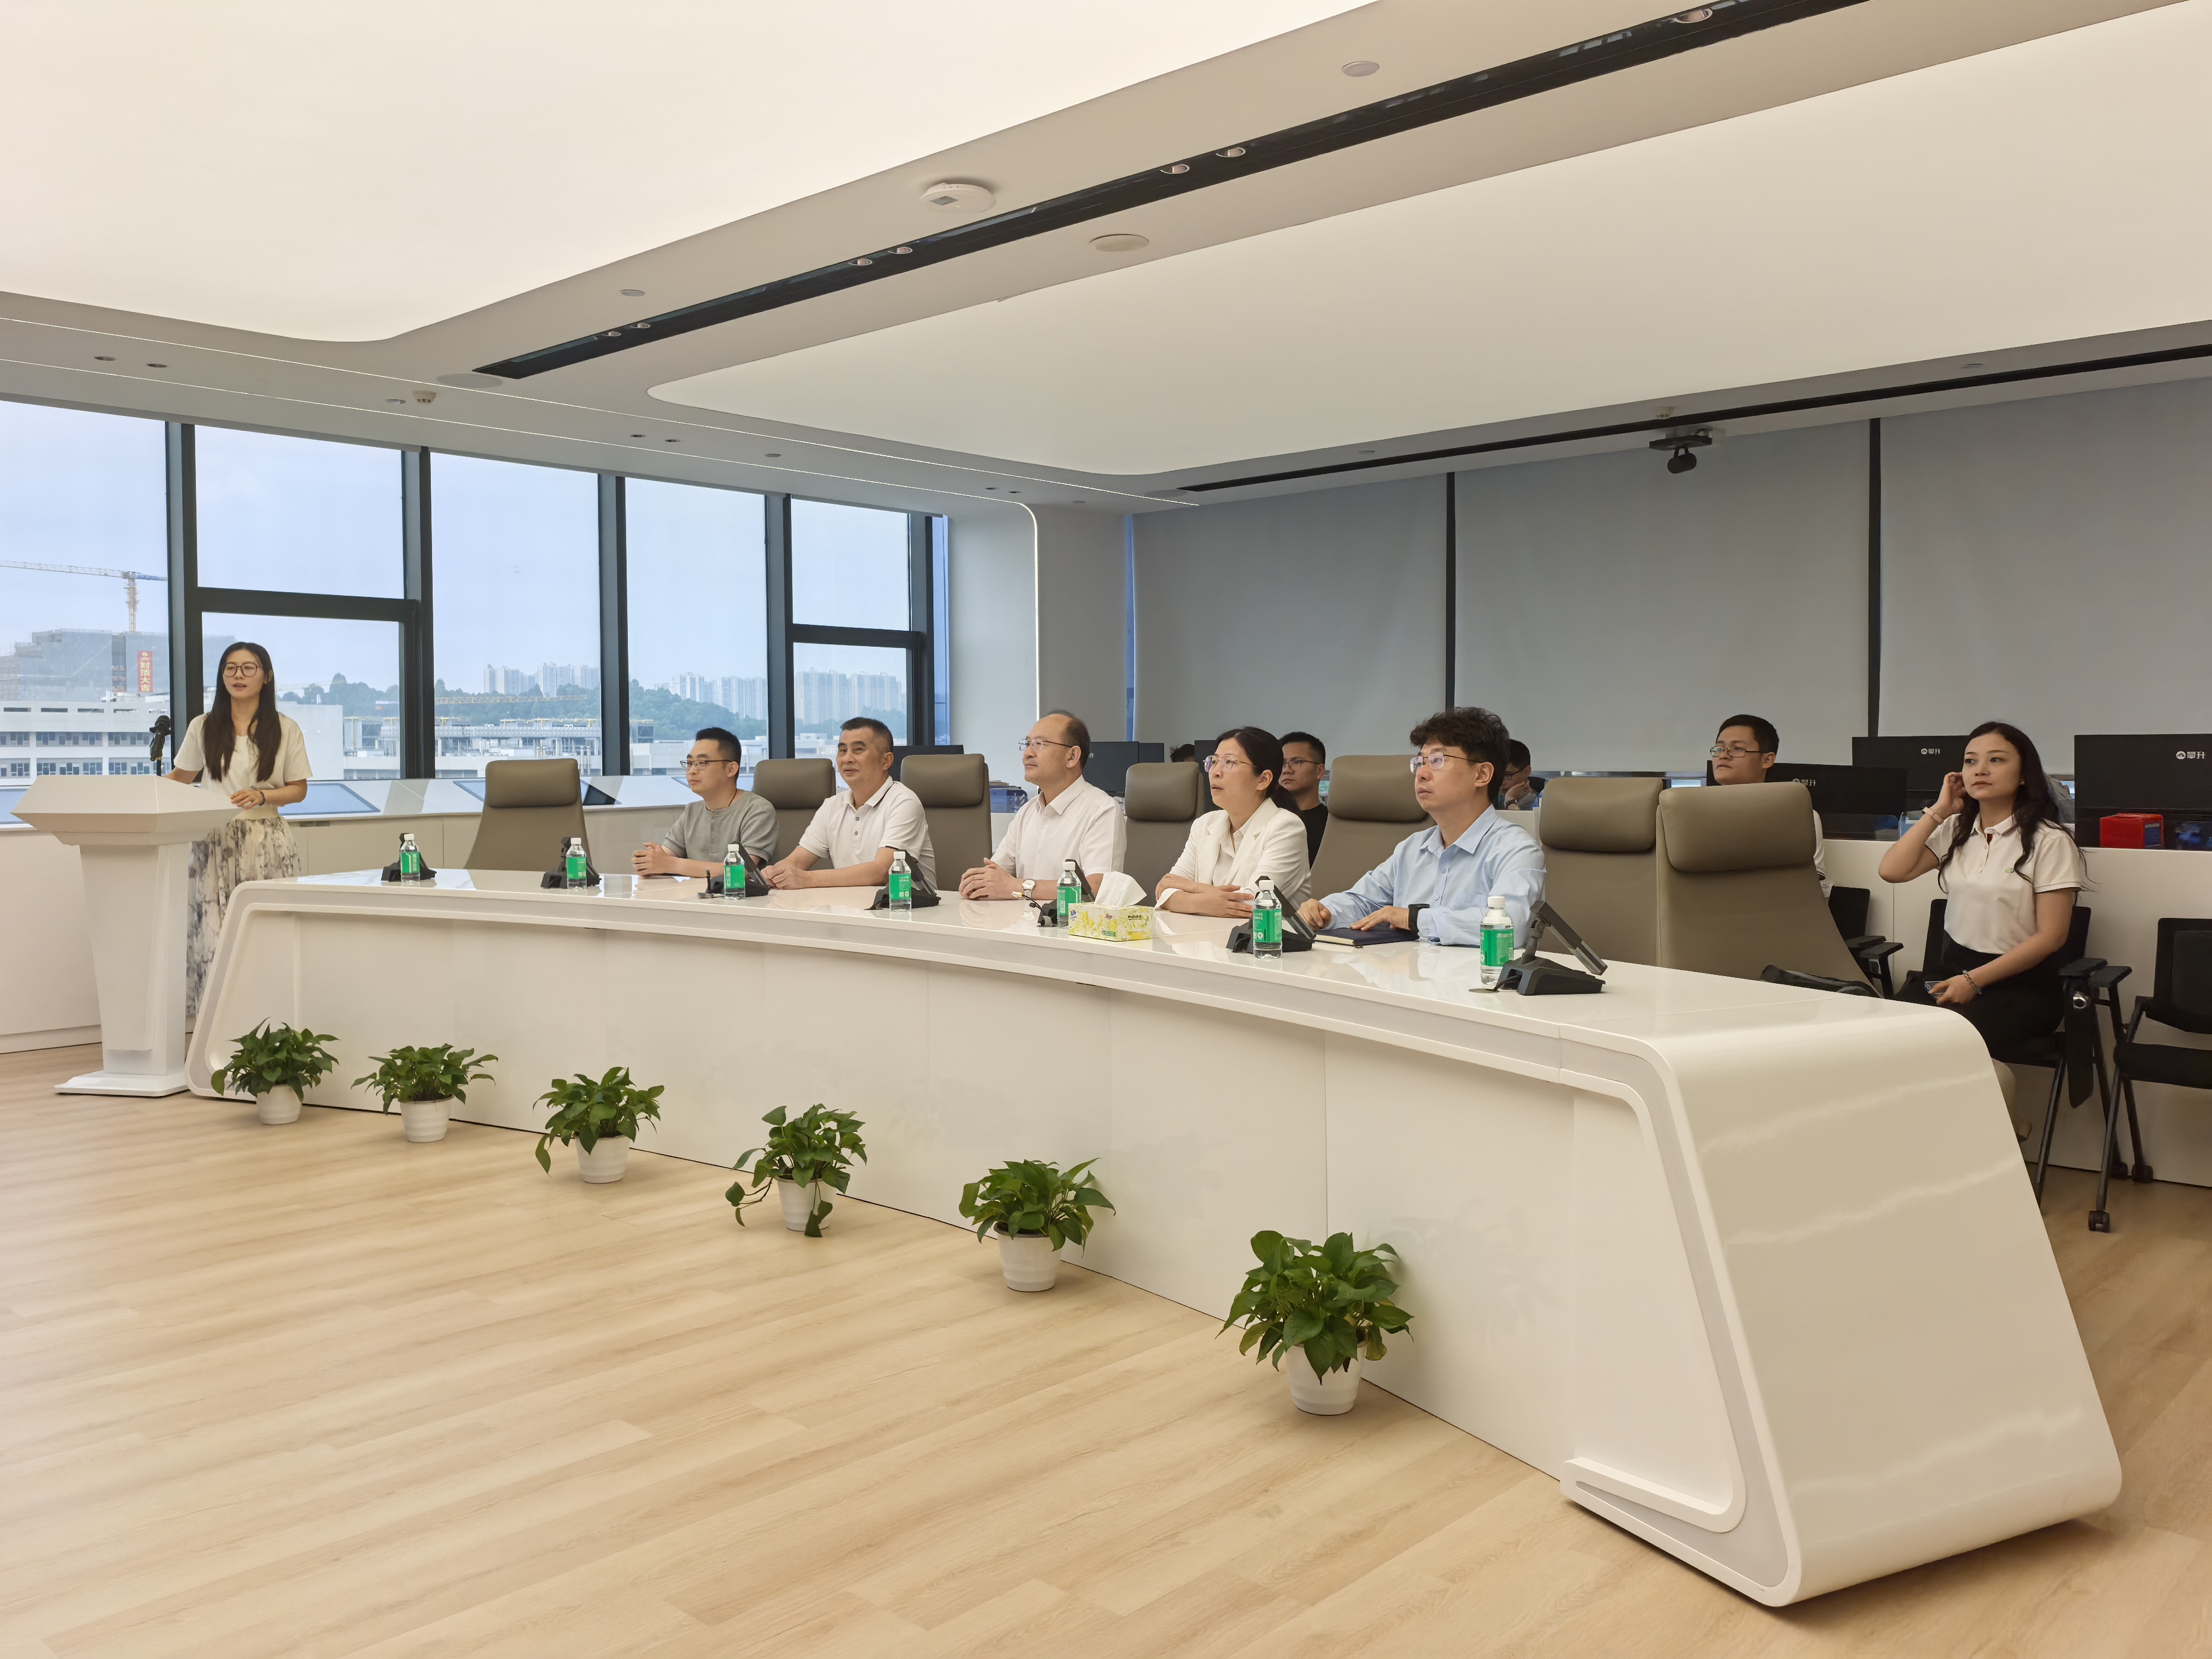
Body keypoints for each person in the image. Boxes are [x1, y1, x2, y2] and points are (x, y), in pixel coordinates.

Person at [1879, 722, 2084, 1056]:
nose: (1980, 770)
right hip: (1953, 971)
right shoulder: (1956, 830)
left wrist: (1974, 981)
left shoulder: (2050, 841)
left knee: (1940, 1044)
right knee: (1886, 1030)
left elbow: (2052, 937)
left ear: (2023, 775)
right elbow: (1892, 871)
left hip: (2021, 986)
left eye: (1996, 760)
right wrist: (1939, 811)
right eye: (1970, 761)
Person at [1297, 706, 1545, 945]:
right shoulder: (1413, 848)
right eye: (1420, 762)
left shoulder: (1515, 849)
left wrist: (1414, 919)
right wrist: (1326, 911)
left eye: (1437, 760)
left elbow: (1510, 925)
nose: (1422, 774)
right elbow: (1363, 901)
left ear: (1482, 775)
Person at [164, 642, 311, 1018]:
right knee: (212, 938)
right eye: (230, 668)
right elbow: (180, 778)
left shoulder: (285, 728)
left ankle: (271, 1025)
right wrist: (139, 792)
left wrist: (263, 795)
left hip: (267, 841)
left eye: (248, 668)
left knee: (267, 935)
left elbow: (298, 789)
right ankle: (217, 1031)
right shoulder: (203, 726)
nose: (238, 676)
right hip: (213, 841)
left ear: (267, 676)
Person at [959, 711, 1124, 901]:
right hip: (1017, 919)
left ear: (1072, 756)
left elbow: (1097, 888)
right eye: (1028, 744)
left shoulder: (1102, 810)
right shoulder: (1027, 812)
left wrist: (1018, 887)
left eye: (1040, 744)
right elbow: (995, 877)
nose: (1027, 753)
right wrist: (978, 883)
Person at [763, 717, 935, 889]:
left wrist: (805, 879)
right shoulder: (832, 806)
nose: (847, 759)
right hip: (847, 904)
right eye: (843, 751)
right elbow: (796, 862)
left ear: (886, 761)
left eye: (858, 750)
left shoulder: (904, 802)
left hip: (903, 904)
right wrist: (775, 873)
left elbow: (882, 872)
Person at [1156, 727, 1312, 915]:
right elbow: (1166, 891)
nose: (1215, 772)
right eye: (1214, 762)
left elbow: (1253, 904)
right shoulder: (1204, 825)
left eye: (1229, 762)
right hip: (1202, 934)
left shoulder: (1286, 828)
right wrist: (1207, 901)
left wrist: (1192, 889)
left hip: (1262, 935)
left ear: (1263, 780)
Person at [1710, 713, 1828, 896]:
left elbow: (1807, 885)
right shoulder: (1692, 813)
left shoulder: (1798, 816)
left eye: (1737, 749)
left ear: (1767, 760)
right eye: (1719, 748)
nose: (1723, 756)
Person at [634, 727, 777, 879]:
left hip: (740, 894)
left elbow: (743, 871)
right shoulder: (692, 811)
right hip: (693, 893)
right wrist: (650, 863)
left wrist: (672, 864)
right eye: (690, 763)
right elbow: (665, 857)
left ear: (731, 769)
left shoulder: (758, 810)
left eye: (702, 763)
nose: (692, 771)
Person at [1279, 730, 1331, 861]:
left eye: (1297, 762)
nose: (1287, 770)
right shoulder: (1267, 817)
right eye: (1283, 763)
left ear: (1320, 771)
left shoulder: (1331, 824)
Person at [1500, 740, 1543, 811]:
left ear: (1527, 771)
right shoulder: (1493, 797)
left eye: (1508, 775)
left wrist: (1510, 800)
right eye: (1497, 775)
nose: (1501, 783)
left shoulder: (1537, 805)